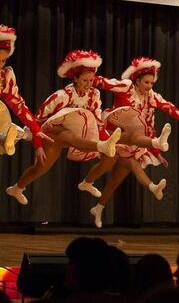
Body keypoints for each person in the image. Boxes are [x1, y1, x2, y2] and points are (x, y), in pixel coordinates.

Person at [81, 57, 179, 227]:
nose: (149, 86)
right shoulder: (126, 87)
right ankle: (151, 184)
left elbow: (169, 108)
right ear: (137, 80)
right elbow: (105, 83)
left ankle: (98, 207)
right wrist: (88, 78)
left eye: (152, 83)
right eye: (146, 82)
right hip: (112, 134)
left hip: (129, 142)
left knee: (115, 180)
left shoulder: (150, 97)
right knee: (127, 163)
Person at [6, 50, 121, 205]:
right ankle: (101, 146)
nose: (89, 84)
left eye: (91, 80)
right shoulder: (61, 96)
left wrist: (108, 140)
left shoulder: (94, 95)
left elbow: (97, 121)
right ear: (75, 78)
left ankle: (16, 188)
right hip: (49, 132)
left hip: (75, 135)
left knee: (40, 170)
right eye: (85, 80)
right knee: (65, 138)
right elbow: (37, 119)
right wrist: (38, 145)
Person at [0, 24, 53, 160]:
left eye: (3, 61)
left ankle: (8, 137)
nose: (1, 65)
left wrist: (35, 129)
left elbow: (19, 105)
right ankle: (14, 135)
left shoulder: (5, 77)